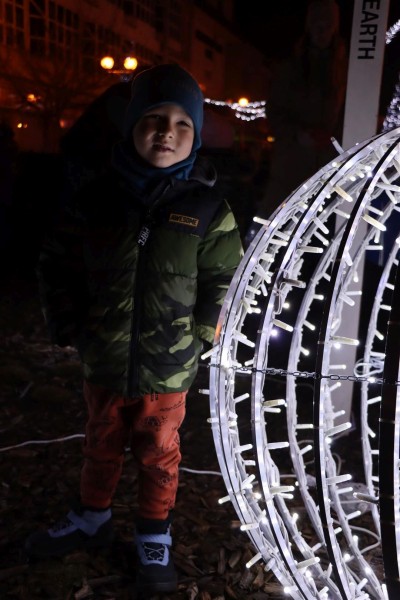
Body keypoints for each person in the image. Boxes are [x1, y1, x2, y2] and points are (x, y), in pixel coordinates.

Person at [25, 63, 244, 596]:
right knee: (100, 442)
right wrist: (70, 322)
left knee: (158, 453)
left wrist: (201, 334)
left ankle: (153, 530)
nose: (167, 132)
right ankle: (92, 515)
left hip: (167, 368)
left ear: (195, 135)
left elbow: (226, 278)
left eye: (182, 123)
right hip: (104, 358)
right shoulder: (95, 198)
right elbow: (57, 262)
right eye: (153, 119)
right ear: (131, 127)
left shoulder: (206, 208)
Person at [257, 0, 348, 219]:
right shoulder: (290, 68)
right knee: (279, 220)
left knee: (326, 222)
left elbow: (352, 114)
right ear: (309, 27)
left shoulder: (346, 70)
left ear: (335, 28)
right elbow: (274, 112)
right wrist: (298, 135)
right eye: (317, 25)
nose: (322, 31)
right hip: (291, 165)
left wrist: (333, 139)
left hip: (331, 166)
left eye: (327, 25)